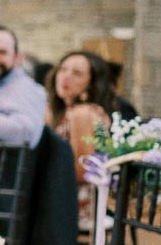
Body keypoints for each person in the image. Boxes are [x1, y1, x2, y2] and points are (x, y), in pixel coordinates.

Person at [45, 51, 115, 209]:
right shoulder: (63, 112)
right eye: (63, 69)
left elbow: (83, 170)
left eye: (77, 73)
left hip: (75, 205)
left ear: (90, 83)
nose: (66, 76)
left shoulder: (82, 113)